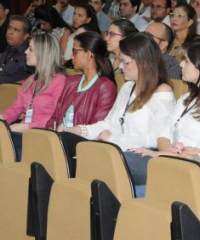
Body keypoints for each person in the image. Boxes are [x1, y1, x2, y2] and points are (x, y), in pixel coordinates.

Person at [65, 33, 175, 186]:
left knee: (95, 162)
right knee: (65, 141)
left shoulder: (162, 91)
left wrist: (113, 141)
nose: (120, 66)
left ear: (143, 62)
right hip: (116, 149)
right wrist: (80, 130)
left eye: (125, 62)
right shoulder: (128, 87)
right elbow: (110, 123)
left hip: (142, 155)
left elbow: (153, 138)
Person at [129, 43, 200, 184]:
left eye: (186, 61)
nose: (180, 65)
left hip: (191, 171)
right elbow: (164, 134)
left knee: (123, 165)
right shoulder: (186, 99)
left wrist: (164, 154)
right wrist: (168, 150)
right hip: (172, 162)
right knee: (119, 161)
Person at [0, 32, 66, 132]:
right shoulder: (30, 80)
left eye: (31, 49)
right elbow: (16, 108)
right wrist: (1, 118)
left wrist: (28, 126)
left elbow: (56, 118)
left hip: (42, 135)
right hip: (24, 131)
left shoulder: (60, 81)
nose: (26, 52)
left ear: (43, 53)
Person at [50, 32, 117, 129]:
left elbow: (96, 128)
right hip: (58, 137)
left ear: (89, 54)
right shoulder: (70, 82)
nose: (72, 56)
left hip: (81, 141)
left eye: (75, 51)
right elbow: (54, 118)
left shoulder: (106, 87)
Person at [0, 16, 35, 92]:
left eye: (16, 30)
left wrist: (3, 89)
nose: (10, 32)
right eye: (9, 28)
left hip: (9, 96)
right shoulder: (8, 49)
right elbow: (0, 74)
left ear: (25, 36)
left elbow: (34, 80)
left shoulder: (29, 54)